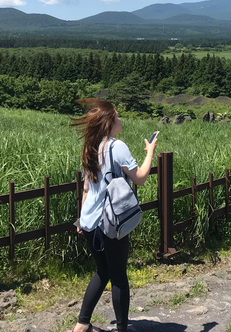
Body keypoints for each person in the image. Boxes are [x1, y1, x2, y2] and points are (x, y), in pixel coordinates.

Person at [70, 98, 158, 332]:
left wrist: (81, 218)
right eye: (117, 116)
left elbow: (87, 188)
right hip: (110, 223)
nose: (120, 119)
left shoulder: (91, 148)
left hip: (90, 222)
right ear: (109, 122)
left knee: (103, 271)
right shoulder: (117, 146)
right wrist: (150, 152)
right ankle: (121, 329)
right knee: (118, 276)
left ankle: (82, 324)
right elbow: (139, 177)